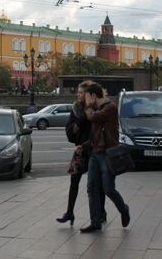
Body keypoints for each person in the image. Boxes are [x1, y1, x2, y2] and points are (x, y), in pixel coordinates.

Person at [80, 83, 130, 233]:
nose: (85, 100)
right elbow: (96, 134)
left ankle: (123, 209)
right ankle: (96, 222)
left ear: (94, 96)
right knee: (91, 188)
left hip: (107, 154)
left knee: (108, 189)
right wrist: (84, 145)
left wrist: (88, 107)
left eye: (87, 97)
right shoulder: (97, 109)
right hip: (95, 154)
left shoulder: (110, 108)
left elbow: (93, 117)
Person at [56, 80, 106, 226]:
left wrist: (81, 121)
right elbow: (70, 131)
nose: (78, 95)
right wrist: (78, 123)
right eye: (77, 92)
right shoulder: (76, 108)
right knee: (74, 180)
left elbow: (94, 130)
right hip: (80, 149)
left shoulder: (97, 109)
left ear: (90, 95)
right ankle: (69, 212)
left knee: (97, 184)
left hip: (94, 150)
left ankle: (101, 212)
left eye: (81, 93)